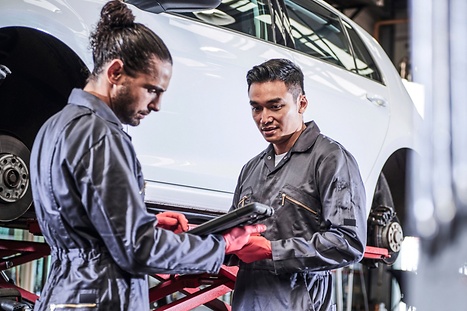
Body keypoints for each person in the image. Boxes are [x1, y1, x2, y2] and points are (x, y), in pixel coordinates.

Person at [29, 1, 265, 310]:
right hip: (104, 298)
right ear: (116, 72)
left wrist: (143, 221)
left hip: (64, 294)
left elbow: (82, 219)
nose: (157, 105)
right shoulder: (101, 135)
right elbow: (137, 251)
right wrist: (221, 245)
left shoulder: (53, 126)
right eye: (152, 90)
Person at [227, 58, 367, 311]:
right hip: (248, 302)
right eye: (256, 108)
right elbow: (232, 236)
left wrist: (273, 250)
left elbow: (348, 243)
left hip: (300, 304)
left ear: (301, 103)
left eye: (275, 106)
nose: (264, 118)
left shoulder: (330, 159)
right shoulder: (251, 169)